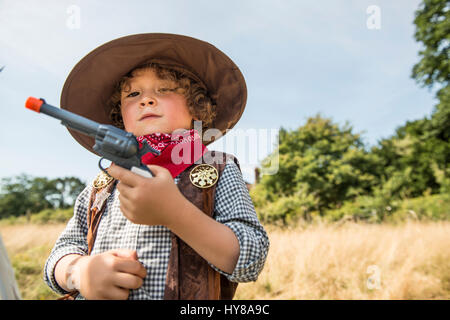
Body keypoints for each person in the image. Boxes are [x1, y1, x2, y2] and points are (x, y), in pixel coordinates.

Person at [43, 33, 269, 300]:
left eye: (164, 90)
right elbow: (62, 252)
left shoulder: (218, 169)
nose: (146, 100)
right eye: (133, 93)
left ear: (197, 109)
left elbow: (251, 258)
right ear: (120, 117)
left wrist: (175, 213)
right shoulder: (102, 184)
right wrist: (78, 272)